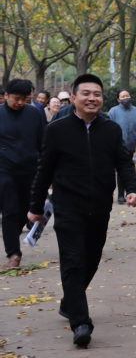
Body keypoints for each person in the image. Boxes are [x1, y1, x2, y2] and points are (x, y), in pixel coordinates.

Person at [28, 74, 136, 346]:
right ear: (74, 97)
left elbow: (124, 162)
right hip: (68, 207)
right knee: (73, 261)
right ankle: (80, 323)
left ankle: (70, 301)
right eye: (86, 93)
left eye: (97, 94)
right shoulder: (58, 129)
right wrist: (35, 207)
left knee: (91, 259)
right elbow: (44, 170)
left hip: (100, 207)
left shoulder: (110, 129)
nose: (92, 98)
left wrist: (132, 188)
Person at [0, 79, 44, 267]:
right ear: (6, 95)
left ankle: (11, 235)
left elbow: (43, 142)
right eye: (16, 98)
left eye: (24, 99)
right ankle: (14, 254)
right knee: (10, 209)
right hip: (4, 169)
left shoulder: (34, 113)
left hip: (30, 169)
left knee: (27, 210)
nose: (19, 102)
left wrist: (47, 169)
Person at [108, 90, 136, 203]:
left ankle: (131, 191)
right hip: (117, 146)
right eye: (123, 96)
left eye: (127, 95)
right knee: (120, 169)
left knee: (128, 169)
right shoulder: (113, 111)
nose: (125, 98)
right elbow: (108, 126)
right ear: (118, 99)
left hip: (130, 146)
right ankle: (120, 194)